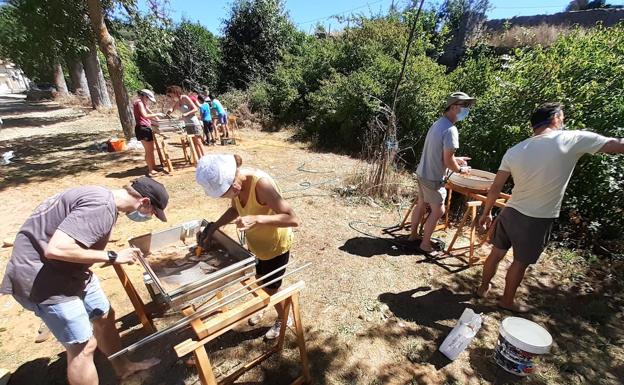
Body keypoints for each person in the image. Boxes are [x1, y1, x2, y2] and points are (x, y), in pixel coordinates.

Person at [0, 177, 170, 384]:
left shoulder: (102, 197)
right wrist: (113, 256)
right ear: (144, 202)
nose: (149, 216)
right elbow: (56, 249)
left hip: (73, 273)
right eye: (152, 212)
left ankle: (123, 367)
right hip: (44, 280)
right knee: (83, 347)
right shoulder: (100, 207)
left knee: (105, 316)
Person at [477, 102, 624, 312]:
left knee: (496, 253)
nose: (563, 122)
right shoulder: (572, 138)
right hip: (537, 218)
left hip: (510, 212)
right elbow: (617, 145)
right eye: (562, 117)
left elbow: (496, 186)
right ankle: (507, 302)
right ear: (555, 119)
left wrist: (486, 212)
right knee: (519, 262)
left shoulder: (516, 150)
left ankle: (483, 288)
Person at [195, 154, 299, 340]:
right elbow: (235, 209)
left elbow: (293, 219)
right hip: (256, 244)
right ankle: (263, 303)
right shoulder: (236, 186)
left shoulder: (262, 185)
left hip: (275, 246)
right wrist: (215, 227)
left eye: (229, 188)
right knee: (260, 281)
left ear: (234, 174)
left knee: (271, 288)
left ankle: (284, 318)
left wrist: (257, 219)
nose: (232, 192)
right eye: (226, 192)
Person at [408, 92, 474, 254]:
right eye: (464, 106)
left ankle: (413, 235)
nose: (467, 110)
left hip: (422, 172)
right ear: (453, 107)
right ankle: (424, 244)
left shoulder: (438, 123)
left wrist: (455, 158)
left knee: (421, 204)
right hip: (433, 177)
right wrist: (460, 169)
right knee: (439, 211)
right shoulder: (451, 130)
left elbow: (440, 152)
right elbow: (447, 160)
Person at [166, 85, 205, 159]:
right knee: (194, 143)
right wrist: (168, 112)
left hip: (193, 122)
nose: (171, 96)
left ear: (175, 92)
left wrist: (186, 114)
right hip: (187, 124)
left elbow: (195, 109)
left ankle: (205, 159)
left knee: (199, 142)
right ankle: (200, 159)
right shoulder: (178, 101)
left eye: (171, 94)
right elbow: (172, 109)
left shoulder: (185, 98)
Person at [132, 89, 163, 177]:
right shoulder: (139, 103)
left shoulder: (143, 103)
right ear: (144, 96)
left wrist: (158, 119)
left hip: (146, 128)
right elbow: (145, 115)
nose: (148, 100)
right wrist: (157, 114)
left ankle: (153, 166)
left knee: (151, 150)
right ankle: (150, 170)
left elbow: (149, 112)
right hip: (142, 128)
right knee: (149, 151)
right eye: (147, 98)